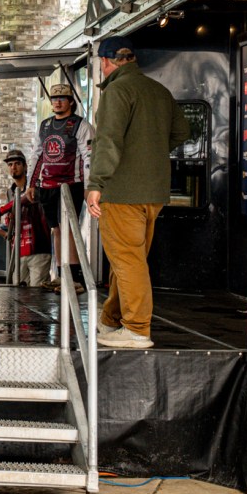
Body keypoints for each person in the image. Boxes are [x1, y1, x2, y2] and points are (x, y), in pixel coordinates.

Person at [87, 36, 189, 349]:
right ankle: (111, 319)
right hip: (153, 192)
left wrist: (96, 184)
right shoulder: (158, 90)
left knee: (128, 262)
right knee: (129, 260)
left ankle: (136, 328)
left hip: (122, 192)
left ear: (105, 62)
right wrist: (149, 151)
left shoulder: (117, 90)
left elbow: (108, 141)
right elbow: (183, 131)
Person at [26, 83, 93, 291]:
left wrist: (88, 186)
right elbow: (37, 154)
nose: (57, 102)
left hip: (71, 184)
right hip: (47, 185)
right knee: (55, 229)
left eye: (62, 98)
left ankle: (74, 278)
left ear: (71, 102)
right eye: (54, 99)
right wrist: (31, 183)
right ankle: (61, 274)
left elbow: (89, 156)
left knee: (68, 229)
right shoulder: (45, 125)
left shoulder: (81, 125)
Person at [0, 150, 53, 289]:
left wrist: (1, 210)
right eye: (10, 164)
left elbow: (26, 198)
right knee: (19, 293)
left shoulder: (35, 185)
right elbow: (13, 215)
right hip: (18, 251)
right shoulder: (10, 191)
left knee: (37, 292)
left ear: (25, 166)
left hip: (38, 247)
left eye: (17, 163)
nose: (13, 167)